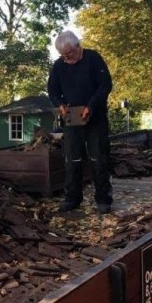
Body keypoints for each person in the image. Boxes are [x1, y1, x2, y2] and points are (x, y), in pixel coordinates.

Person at [47, 30, 113, 214]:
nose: (67, 59)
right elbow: (52, 91)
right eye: (63, 56)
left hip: (95, 116)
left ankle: (103, 199)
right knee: (72, 159)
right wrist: (60, 104)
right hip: (72, 117)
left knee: (98, 157)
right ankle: (72, 198)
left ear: (78, 46)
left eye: (70, 54)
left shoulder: (93, 58)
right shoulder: (59, 66)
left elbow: (105, 85)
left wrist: (91, 106)